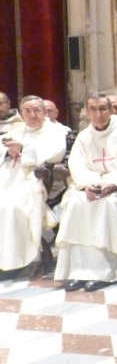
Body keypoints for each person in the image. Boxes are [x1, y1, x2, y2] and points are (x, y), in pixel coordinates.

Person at [54, 94, 117, 292]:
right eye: (93, 109)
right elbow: (76, 164)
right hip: (90, 185)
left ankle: (108, 270)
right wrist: (88, 185)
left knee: (107, 205)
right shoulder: (84, 136)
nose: (98, 114)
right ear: (86, 111)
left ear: (111, 110)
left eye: (102, 108)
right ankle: (78, 271)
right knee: (76, 203)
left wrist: (113, 183)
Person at [0, 95, 66, 271]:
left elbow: (56, 154)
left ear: (44, 112)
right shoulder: (16, 131)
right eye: (27, 111)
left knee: (10, 207)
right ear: (22, 113)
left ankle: (13, 262)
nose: (32, 115)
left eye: (37, 110)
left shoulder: (55, 131)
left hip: (34, 181)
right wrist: (7, 153)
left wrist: (23, 150)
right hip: (8, 178)